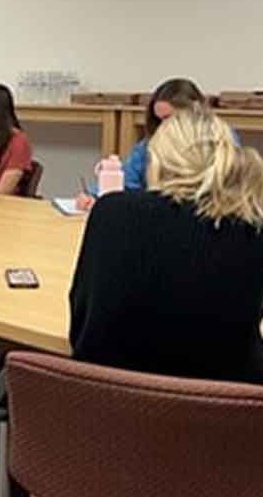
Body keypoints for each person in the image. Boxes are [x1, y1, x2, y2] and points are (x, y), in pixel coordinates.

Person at [69, 107, 263, 383]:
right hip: (222, 413)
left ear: (157, 160)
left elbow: (80, 326)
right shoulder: (252, 227)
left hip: (107, 407)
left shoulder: (111, 213)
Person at [76, 78, 206, 210]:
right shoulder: (147, 148)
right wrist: (93, 196)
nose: (163, 127)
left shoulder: (221, 147)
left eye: (169, 119)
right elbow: (125, 182)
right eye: (159, 120)